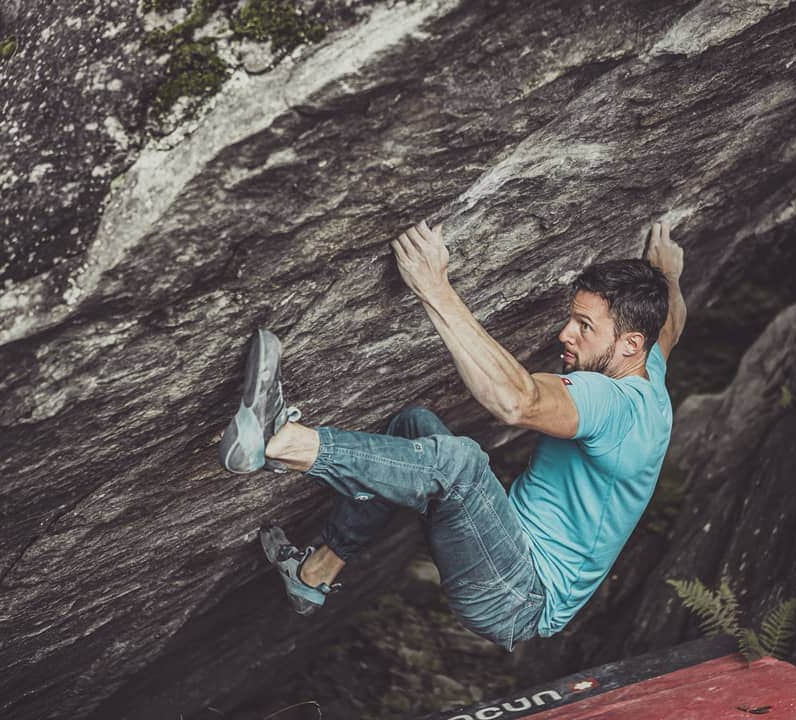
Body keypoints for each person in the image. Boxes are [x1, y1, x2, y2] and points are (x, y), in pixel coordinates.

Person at [218, 220, 686, 650]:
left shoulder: (615, 405)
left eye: (584, 326)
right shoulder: (648, 372)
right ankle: (314, 573)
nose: (566, 333)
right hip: (509, 557)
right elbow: (670, 325)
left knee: (458, 464)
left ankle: (278, 440)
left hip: (520, 595)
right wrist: (667, 276)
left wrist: (433, 287)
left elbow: (517, 401)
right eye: (572, 317)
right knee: (413, 426)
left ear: (629, 344)